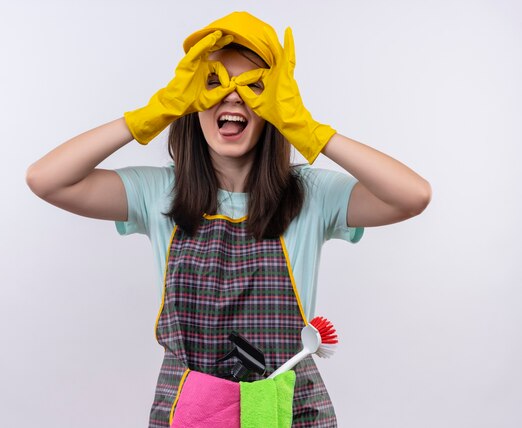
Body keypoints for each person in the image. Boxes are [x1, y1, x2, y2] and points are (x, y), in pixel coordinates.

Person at [26, 11, 431, 428]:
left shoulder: (311, 195)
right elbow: (46, 180)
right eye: (214, 83)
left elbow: (412, 196)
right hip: (191, 408)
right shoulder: (158, 193)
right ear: (189, 100)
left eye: (255, 87)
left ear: (276, 106)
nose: (234, 97)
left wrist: (308, 130)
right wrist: (150, 115)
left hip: (290, 407)